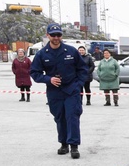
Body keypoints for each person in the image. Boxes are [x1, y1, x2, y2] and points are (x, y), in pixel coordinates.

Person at [30, 23, 89, 158]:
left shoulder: (71, 51)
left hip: (71, 90)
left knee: (72, 116)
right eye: (53, 35)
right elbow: (35, 72)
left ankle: (74, 146)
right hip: (54, 91)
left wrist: (78, 85)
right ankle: (63, 144)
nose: (56, 37)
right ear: (48, 35)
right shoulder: (41, 54)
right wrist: (48, 79)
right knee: (59, 117)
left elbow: (83, 69)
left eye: (59, 35)